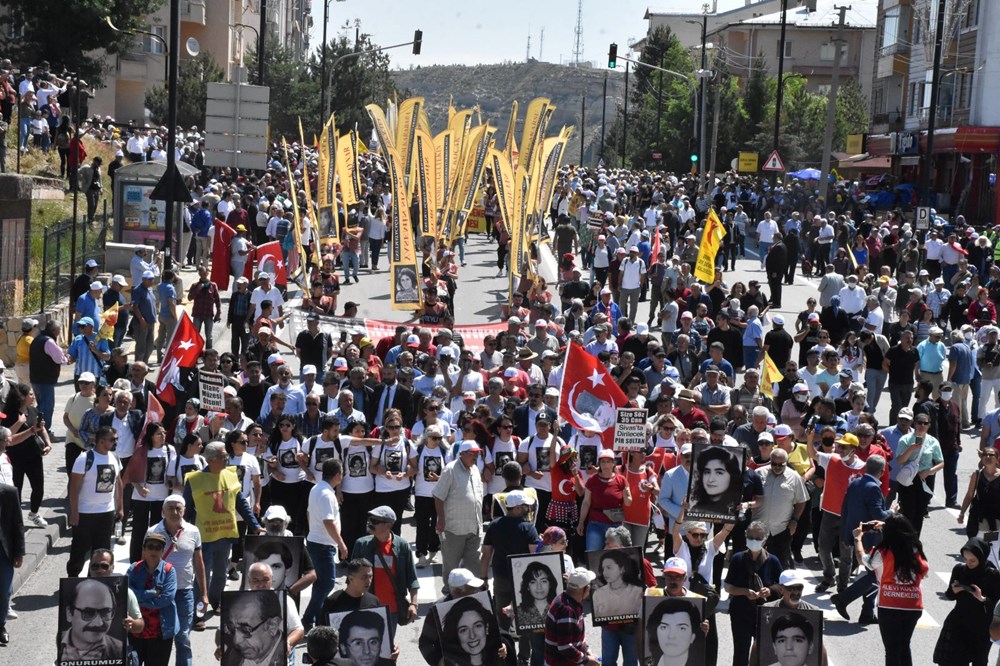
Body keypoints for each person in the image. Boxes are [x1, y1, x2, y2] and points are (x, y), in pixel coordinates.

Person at [182, 442, 262, 614]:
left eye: (226, 455)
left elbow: (241, 503)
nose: (227, 458)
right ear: (210, 460)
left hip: (225, 535)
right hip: (204, 538)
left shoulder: (231, 475)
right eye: (223, 456)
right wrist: (180, 532)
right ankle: (198, 612)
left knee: (220, 574)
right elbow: (186, 509)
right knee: (202, 576)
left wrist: (254, 525)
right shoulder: (195, 480)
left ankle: (216, 601)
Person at [851, 514, 928, 666]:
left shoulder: (883, 552)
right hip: (913, 606)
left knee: (892, 650)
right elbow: (925, 569)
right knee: (904, 646)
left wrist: (858, 538)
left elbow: (862, 559)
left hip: (890, 606)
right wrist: (887, 525)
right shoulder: (915, 549)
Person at [723, 520, 783, 666]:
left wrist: (770, 590)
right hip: (740, 613)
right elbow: (728, 587)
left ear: (765, 539)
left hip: (765, 615)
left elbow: (782, 586)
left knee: (763, 652)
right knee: (741, 651)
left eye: (757, 538)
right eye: (750, 537)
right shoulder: (737, 558)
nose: (753, 541)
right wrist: (744, 592)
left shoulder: (773, 561)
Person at [350, 506, 419, 633]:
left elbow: (412, 579)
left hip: (391, 610)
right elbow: (351, 578)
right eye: (370, 519)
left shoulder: (402, 546)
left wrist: (413, 604)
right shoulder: (361, 544)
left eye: (375, 521)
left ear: (388, 525)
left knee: (386, 649)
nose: (370, 523)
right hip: (365, 607)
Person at [933, 537, 1000, 666]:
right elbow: (949, 595)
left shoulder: (992, 575)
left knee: (979, 660)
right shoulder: (959, 570)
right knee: (952, 660)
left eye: (973, 560)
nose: (969, 563)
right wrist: (954, 591)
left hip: (981, 627)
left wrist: (983, 599)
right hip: (959, 622)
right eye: (966, 559)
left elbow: (997, 604)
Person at [67, 426, 124, 576]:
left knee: (101, 551)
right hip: (85, 513)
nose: (115, 442)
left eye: (116, 439)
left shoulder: (114, 457)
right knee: (79, 550)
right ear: (101, 441)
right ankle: (73, 579)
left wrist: (120, 507)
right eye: (112, 439)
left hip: (106, 512)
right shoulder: (84, 459)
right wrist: (74, 512)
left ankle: (94, 580)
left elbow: (119, 483)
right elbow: (73, 487)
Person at [434, 440, 485, 592]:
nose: (475, 456)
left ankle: (472, 594)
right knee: (452, 566)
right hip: (453, 528)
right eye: (472, 453)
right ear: (462, 454)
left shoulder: (475, 469)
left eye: (477, 453)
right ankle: (450, 595)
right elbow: (438, 496)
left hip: (474, 526)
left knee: (473, 564)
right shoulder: (450, 470)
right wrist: (441, 520)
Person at [304, 459, 349, 628]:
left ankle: (314, 617)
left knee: (321, 582)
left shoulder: (316, 489)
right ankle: (309, 618)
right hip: (323, 545)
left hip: (316, 541)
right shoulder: (327, 494)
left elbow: (309, 513)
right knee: (328, 582)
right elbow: (329, 522)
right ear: (337, 475)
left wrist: (313, 531)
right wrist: (342, 544)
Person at [127, 530, 178, 666]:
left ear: (162, 551)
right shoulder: (134, 569)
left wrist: (139, 600)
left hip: (160, 633)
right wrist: (151, 593)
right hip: (136, 632)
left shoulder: (169, 571)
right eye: (150, 547)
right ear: (144, 549)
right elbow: (127, 594)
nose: (153, 551)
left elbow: (166, 598)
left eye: (158, 548)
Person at [577, 449, 632, 551]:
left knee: (614, 556)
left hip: (615, 525)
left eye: (608, 461)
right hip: (596, 523)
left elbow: (628, 503)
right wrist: (581, 522)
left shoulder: (621, 480)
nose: (606, 465)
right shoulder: (592, 480)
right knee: (593, 554)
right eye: (603, 462)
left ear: (613, 463)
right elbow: (586, 502)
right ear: (599, 464)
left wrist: (626, 494)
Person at [59, 578, 126, 661]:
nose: (98, 623)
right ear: (69, 613)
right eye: (88, 613)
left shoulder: (119, 650)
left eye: (105, 612)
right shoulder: (59, 640)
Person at [544, 567, 600, 666]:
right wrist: (586, 660)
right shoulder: (567, 610)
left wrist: (586, 650)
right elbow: (565, 647)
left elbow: (576, 638)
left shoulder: (566, 600)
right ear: (585, 588)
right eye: (589, 585)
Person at [439, 594, 502, 666]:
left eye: (478, 626)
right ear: (456, 635)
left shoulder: (499, 655)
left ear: (486, 627)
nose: (472, 636)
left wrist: (504, 646)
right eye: (464, 630)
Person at [644, 597, 706, 666]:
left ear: (692, 636)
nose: (671, 636)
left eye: (682, 628)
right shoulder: (648, 662)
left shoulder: (697, 662)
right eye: (664, 627)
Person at [0, 479, 24, 645]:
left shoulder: (9, 493)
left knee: (4, 592)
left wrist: (19, 553)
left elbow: (18, 524)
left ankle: (1, 625)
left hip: (3, 552)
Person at [689, 445, 742, 519]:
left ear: (732, 476)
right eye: (707, 472)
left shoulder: (737, 509)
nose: (710, 479)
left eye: (719, 473)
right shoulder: (696, 509)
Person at [590, 548, 644, 620]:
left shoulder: (638, 592)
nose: (604, 572)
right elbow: (597, 617)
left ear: (622, 569)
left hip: (632, 628)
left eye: (609, 567)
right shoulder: (598, 594)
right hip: (608, 629)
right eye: (603, 569)